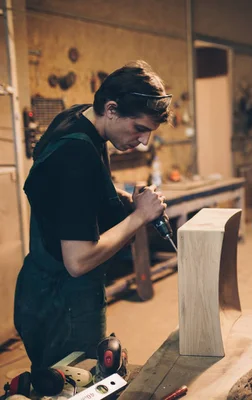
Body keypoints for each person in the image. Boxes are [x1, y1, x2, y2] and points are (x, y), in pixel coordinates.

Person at [14, 60, 172, 372]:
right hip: (62, 305)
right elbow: (78, 261)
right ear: (111, 109)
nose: (144, 141)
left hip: (42, 290)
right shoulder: (77, 155)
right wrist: (139, 216)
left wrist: (125, 199)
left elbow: (76, 191)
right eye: (139, 128)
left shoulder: (79, 119)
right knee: (75, 384)